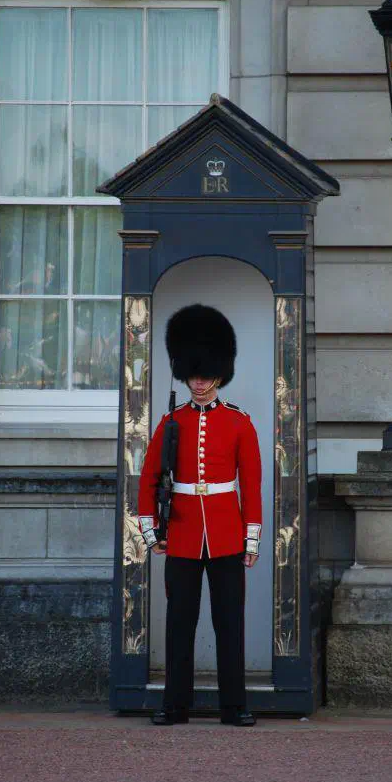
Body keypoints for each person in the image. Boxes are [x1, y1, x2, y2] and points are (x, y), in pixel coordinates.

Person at [138, 304, 262, 726]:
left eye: (207, 373)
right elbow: (149, 479)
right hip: (182, 534)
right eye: (194, 373)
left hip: (226, 535)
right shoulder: (170, 422)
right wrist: (152, 532)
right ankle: (176, 704)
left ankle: (234, 705)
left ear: (219, 374)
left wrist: (251, 537)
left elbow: (251, 485)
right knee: (179, 623)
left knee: (229, 622)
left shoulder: (239, 423)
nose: (200, 381)